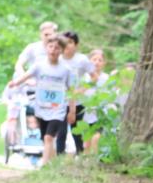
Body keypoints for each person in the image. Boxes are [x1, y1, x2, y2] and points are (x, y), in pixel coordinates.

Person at [9, 34, 76, 164]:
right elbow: (27, 76)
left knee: (48, 137)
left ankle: (44, 165)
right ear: (46, 48)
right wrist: (15, 83)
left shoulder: (66, 70)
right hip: (41, 107)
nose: (53, 50)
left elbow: (72, 91)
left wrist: (72, 111)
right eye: (50, 47)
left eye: (57, 48)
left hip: (58, 109)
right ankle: (53, 163)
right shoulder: (39, 66)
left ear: (61, 50)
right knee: (45, 137)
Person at [58, 29, 94, 155]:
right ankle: (58, 159)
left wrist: (82, 89)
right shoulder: (57, 58)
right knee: (60, 132)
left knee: (76, 131)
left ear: (76, 45)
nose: (67, 45)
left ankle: (80, 155)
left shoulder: (82, 60)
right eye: (65, 42)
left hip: (77, 101)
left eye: (70, 42)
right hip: (60, 101)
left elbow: (93, 76)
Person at [83, 48, 109, 156]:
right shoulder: (84, 77)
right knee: (86, 143)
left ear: (104, 63)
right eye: (94, 59)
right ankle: (86, 161)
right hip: (86, 113)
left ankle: (95, 159)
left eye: (100, 60)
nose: (97, 62)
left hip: (100, 113)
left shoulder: (107, 78)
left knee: (96, 138)